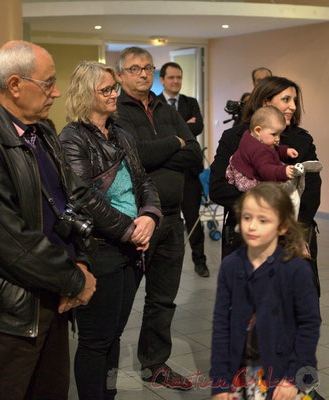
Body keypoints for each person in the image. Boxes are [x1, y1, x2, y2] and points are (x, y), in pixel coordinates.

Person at [0, 40, 97, 400]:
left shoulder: (42, 133)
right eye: (48, 84)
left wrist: (80, 259)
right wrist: (76, 279)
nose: (56, 93)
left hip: (55, 298)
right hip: (10, 312)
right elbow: (9, 240)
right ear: (15, 85)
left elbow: (74, 200)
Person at [59, 61, 162, 400]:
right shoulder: (72, 137)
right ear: (84, 94)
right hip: (99, 249)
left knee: (114, 335)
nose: (114, 94)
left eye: (113, 87)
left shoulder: (121, 133)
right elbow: (83, 197)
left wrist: (149, 216)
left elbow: (143, 180)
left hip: (130, 248)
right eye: (106, 90)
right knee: (95, 340)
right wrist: (129, 230)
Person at [115, 46, 203, 389]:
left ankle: (155, 364)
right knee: (121, 300)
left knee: (163, 298)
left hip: (173, 218)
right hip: (135, 220)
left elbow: (194, 154)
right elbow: (135, 156)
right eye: (135, 68)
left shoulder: (164, 105)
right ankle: (103, 359)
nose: (143, 74)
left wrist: (169, 150)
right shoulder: (117, 109)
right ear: (121, 74)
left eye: (148, 67)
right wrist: (175, 144)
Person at [210, 76, 322, 294]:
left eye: (295, 101)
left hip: (294, 236)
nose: (293, 106)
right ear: (265, 102)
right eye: (286, 99)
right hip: (247, 237)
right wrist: (262, 213)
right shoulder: (235, 137)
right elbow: (218, 187)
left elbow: (311, 190)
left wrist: (291, 229)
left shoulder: (301, 140)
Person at [210, 182, 321, 399]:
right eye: (247, 217)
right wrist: (220, 383)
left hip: (283, 373)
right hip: (242, 373)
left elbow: (309, 325)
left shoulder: (296, 269)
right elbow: (221, 325)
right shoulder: (231, 266)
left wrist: (293, 378)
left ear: (282, 226)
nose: (251, 226)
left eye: (263, 220)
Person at [157, 61, 209, 277]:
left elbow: (199, 126)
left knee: (193, 219)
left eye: (179, 77)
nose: (176, 81)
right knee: (163, 221)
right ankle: (163, 262)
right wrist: (183, 128)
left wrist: (172, 132)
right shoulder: (155, 103)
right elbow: (156, 134)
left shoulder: (190, 101)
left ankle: (200, 261)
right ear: (162, 80)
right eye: (171, 77)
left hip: (189, 171)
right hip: (163, 171)